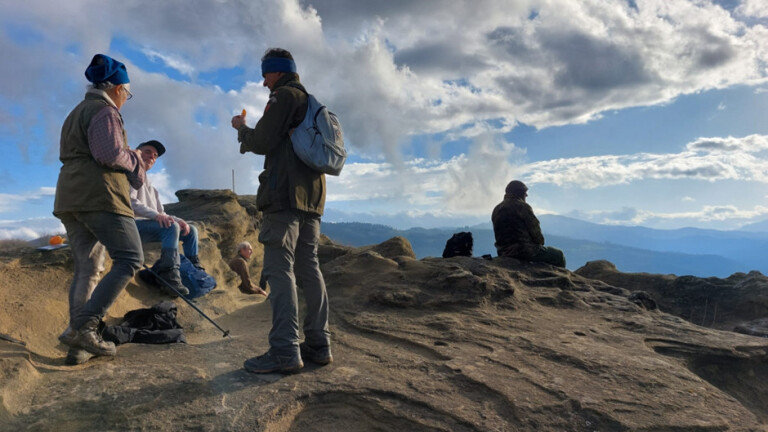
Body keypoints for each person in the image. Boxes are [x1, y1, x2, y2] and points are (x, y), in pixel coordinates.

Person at [230, 48, 331, 373]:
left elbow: (262, 141)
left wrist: (241, 128)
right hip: (312, 196)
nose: (262, 82)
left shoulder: (282, 97)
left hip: (284, 194)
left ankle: (285, 350)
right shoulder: (308, 101)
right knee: (309, 267)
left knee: (279, 269)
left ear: (277, 71)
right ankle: (318, 345)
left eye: (265, 74)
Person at [54, 53, 146, 364]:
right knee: (131, 258)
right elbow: (109, 154)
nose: (126, 99)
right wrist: (133, 158)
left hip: (70, 197)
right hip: (100, 196)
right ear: (117, 88)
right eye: (128, 93)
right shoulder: (105, 110)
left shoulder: (76, 112)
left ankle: (79, 346)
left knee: (88, 269)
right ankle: (84, 327)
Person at [131, 140, 202, 297]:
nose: (151, 156)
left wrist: (179, 220)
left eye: (155, 155)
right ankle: (169, 275)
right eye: (148, 151)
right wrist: (158, 217)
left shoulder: (152, 188)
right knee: (171, 227)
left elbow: (161, 212)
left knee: (191, 230)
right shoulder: (130, 174)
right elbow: (131, 203)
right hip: (131, 224)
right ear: (137, 152)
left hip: (148, 224)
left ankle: (194, 271)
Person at [492, 180, 566, 268]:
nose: (526, 195)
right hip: (524, 251)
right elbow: (536, 234)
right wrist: (539, 243)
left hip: (502, 252)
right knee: (559, 255)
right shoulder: (522, 206)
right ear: (519, 193)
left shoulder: (496, 209)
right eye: (525, 193)